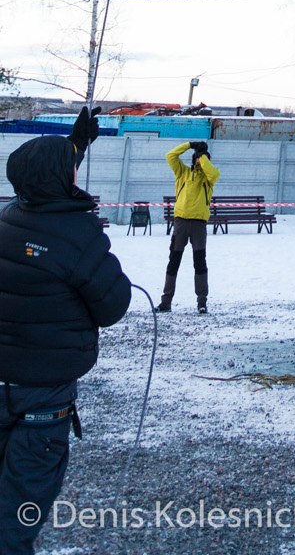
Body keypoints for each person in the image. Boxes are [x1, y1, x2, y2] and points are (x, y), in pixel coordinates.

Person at [0, 112, 130, 554]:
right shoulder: (78, 235)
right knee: (19, 514)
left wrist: (77, 143)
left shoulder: (6, 220)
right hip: (44, 397)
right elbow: (113, 306)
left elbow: (46, 179)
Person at [157, 141, 219, 316]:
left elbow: (213, 173)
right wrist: (190, 145)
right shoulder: (182, 173)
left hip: (198, 224)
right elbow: (170, 155)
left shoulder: (208, 179)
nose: (200, 162)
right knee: (173, 261)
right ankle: (166, 301)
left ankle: (202, 302)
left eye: (203, 160)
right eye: (198, 159)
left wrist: (203, 157)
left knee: (200, 263)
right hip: (181, 223)